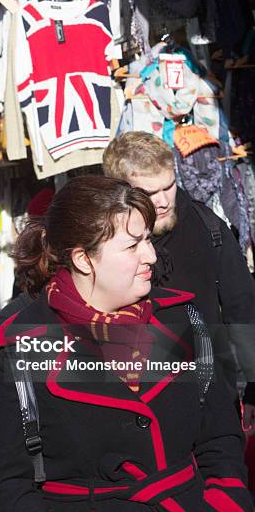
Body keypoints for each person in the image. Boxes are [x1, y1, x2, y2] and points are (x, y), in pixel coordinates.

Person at [0, 176, 252, 512]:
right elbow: (5, 483)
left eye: (149, 239)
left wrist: (228, 509)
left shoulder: (183, 318)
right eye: (132, 245)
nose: (151, 256)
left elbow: (220, 434)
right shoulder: (22, 346)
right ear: (82, 258)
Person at [103, 131, 255, 432]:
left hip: (210, 406)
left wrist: (253, 388)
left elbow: (244, 312)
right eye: (148, 193)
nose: (161, 201)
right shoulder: (101, 241)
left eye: (168, 186)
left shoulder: (209, 228)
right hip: (131, 410)